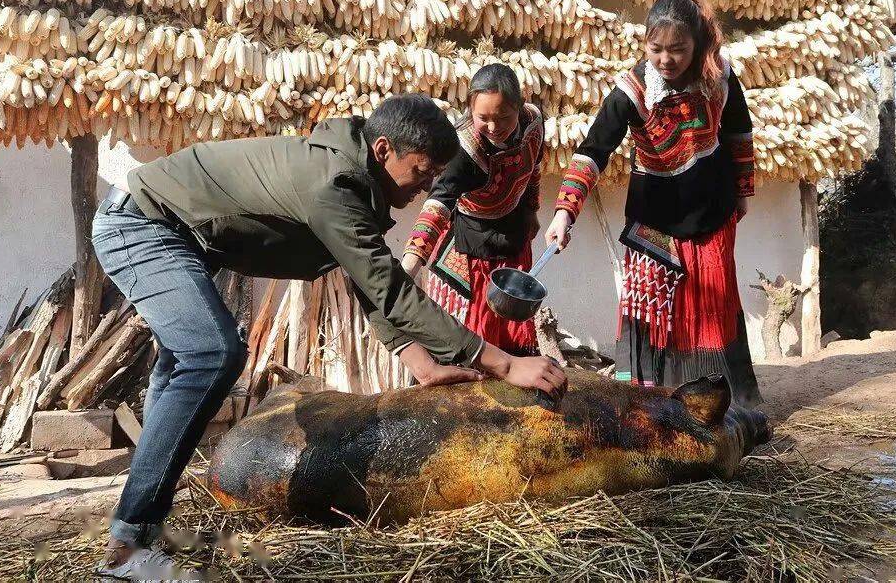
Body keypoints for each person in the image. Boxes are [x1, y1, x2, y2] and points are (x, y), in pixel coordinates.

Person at [92, 94, 567, 579]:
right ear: (383, 150)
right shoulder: (331, 183)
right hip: (141, 224)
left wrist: (418, 360)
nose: (426, 187)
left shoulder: (352, 181)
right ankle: (129, 548)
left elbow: (364, 274)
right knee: (213, 354)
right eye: (422, 171)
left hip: (177, 235)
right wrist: (504, 363)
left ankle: (141, 528)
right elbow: (386, 284)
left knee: (188, 363)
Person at [545, 0, 762, 407]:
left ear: (696, 45)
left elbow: (739, 130)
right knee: (653, 316)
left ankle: (722, 408)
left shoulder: (719, 77)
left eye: (678, 50)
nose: (666, 59)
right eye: (656, 48)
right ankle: (651, 411)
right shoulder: (633, 90)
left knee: (712, 311)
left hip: (712, 213)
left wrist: (743, 191)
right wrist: (564, 211)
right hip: (653, 221)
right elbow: (594, 149)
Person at [401, 64, 544, 355]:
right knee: (472, 343)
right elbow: (438, 205)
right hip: (472, 247)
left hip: (514, 237)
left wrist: (531, 209)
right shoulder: (462, 151)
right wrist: (409, 266)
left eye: (503, 116)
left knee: (513, 340)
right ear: (470, 111)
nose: (494, 127)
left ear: (519, 106)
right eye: (483, 118)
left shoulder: (534, 122)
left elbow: (534, 166)